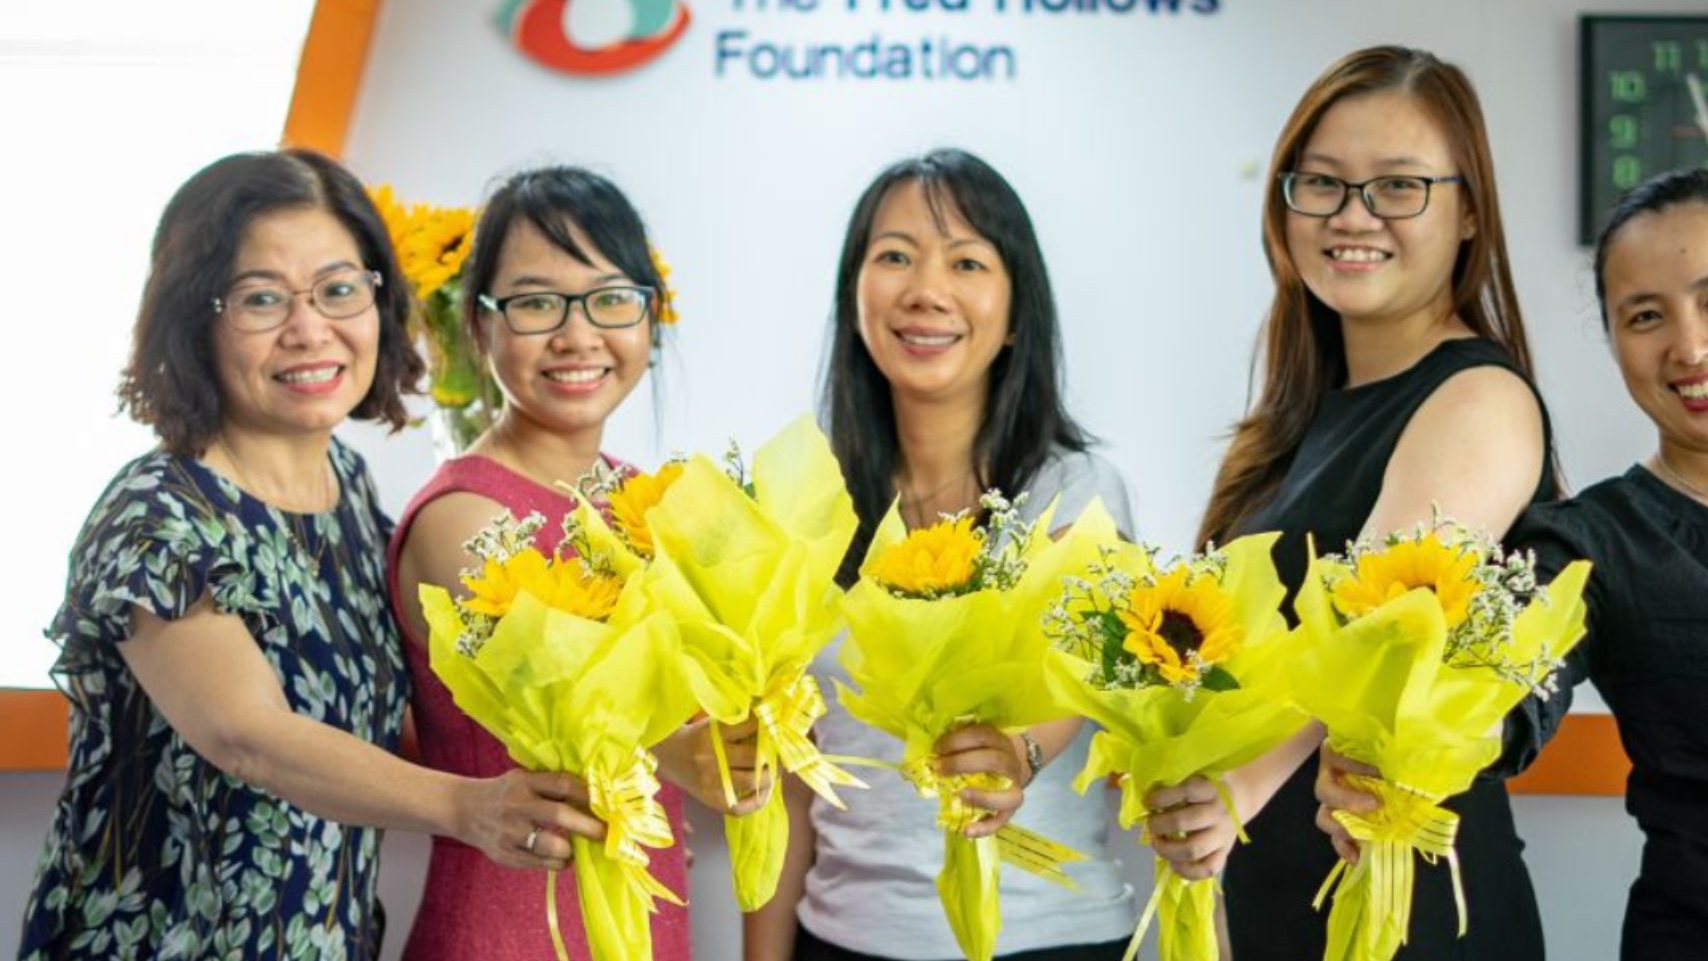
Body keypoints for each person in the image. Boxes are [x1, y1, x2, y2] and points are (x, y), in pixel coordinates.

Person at [19, 150, 606, 961]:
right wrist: (470, 807)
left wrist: (615, 787)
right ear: (196, 319)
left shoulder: (351, 493)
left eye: (339, 289)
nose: (310, 329)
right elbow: (245, 733)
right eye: (262, 299)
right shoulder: (156, 514)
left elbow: (428, 705)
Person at [1319, 168, 1708, 961]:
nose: (1692, 344)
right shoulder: (1588, 547)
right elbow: (1505, 695)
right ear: (1614, 343)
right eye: (1645, 315)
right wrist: (1401, 752)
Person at [1140, 46, 1556, 960]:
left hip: (1409, 913)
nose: (1352, 216)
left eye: (1398, 186)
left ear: (1469, 213)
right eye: (1321, 184)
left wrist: (1237, 788)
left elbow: (1371, 627)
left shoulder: (1482, 398)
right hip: (1279, 899)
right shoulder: (1296, 423)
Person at [743, 149, 1140, 961]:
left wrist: (1016, 755)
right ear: (854, 292)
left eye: (967, 261)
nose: (927, 290)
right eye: (894, 256)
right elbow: (782, 778)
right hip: (844, 937)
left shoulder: (1075, 490)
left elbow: (1066, 686)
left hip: (1048, 941)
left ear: (1017, 311)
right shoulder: (799, 501)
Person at [388, 165, 764, 961]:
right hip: (505, 931)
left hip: (641, 923)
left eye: (609, 298)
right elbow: (570, 690)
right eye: (534, 303)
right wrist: (681, 755)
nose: (578, 333)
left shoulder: (647, 502)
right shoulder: (463, 517)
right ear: (479, 328)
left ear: (648, 319)